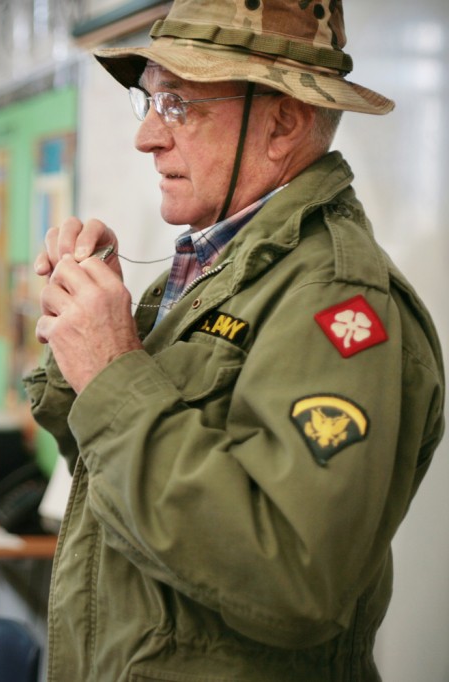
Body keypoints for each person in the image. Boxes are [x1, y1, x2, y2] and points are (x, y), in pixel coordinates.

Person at [24, 1, 445, 680]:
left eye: (179, 105)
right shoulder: (210, 273)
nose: (148, 139)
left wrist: (114, 369)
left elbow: (295, 578)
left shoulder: (337, 302)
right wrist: (86, 340)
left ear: (283, 122)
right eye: (151, 102)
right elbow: (114, 479)